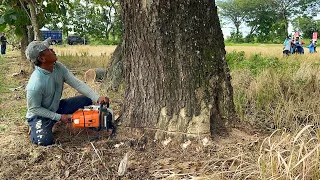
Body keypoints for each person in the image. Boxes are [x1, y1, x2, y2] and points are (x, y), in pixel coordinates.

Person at [25, 37, 109, 146]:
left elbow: (76, 83)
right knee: (45, 141)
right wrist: (59, 117)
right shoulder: (35, 84)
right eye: (48, 50)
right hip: (39, 115)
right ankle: (35, 126)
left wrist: (97, 97)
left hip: (56, 107)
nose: (52, 50)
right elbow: (34, 108)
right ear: (42, 58)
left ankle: (57, 122)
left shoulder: (58, 67)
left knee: (86, 99)